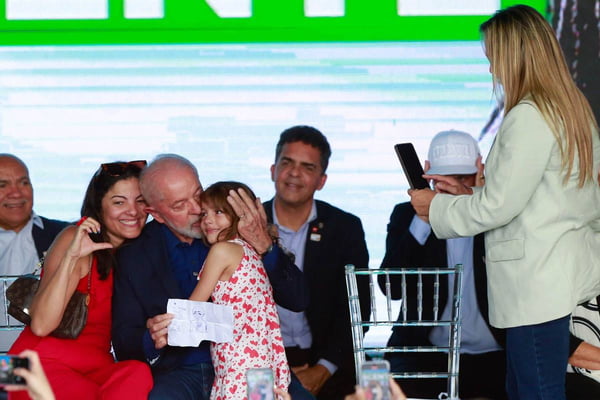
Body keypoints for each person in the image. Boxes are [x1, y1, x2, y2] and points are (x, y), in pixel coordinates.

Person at [409, 5, 600, 399]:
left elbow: (499, 207)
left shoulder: (529, 115)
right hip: (560, 278)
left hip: (535, 285)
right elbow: (544, 199)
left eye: (494, 58)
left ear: (514, 55)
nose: (492, 70)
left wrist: (437, 208)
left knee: (535, 392)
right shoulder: (572, 110)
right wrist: (469, 196)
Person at [112, 154, 308, 400]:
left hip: (252, 363)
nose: (197, 211)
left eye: (197, 193)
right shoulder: (135, 256)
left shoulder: (237, 226)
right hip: (181, 371)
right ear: (157, 214)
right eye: (179, 205)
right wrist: (153, 338)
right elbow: (124, 342)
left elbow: (299, 299)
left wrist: (264, 245)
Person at [8, 160, 153, 399]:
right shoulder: (75, 237)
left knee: (137, 373)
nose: (133, 211)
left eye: (140, 201)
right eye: (119, 202)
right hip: (27, 365)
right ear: (99, 206)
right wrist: (70, 259)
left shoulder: (139, 251)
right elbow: (41, 325)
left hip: (93, 368)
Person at [378, 130, 506, 399]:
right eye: (442, 180)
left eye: (463, 178)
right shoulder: (405, 215)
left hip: (495, 355)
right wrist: (424, 218)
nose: (452, 187)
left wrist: (475, 206)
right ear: (426, 173)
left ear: (481, 172)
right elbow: (390, 287)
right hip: (425, 353)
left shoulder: (499, 215)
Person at [263, 125, 371, 400]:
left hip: (327, 359)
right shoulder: (249, 223)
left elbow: (360, 307)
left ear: (321, 180)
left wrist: (324, 368)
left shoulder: (344, 227)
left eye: (307, 167)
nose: (295, 174)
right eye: (287, 163)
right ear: (273, 169)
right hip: (259, 359)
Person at [189, 181, 290, 399]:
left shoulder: (222, 250)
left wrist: (163, 327)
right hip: (263, 366)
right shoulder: (252, 252)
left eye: (218, 211)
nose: (208, 220)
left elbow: (192, 308)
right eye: (204, 213)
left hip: (237, 368)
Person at [0, 154, 68, 352]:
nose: (16, 193)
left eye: (23, 183)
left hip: (45, 357)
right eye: (2, 185)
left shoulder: (64, 235)